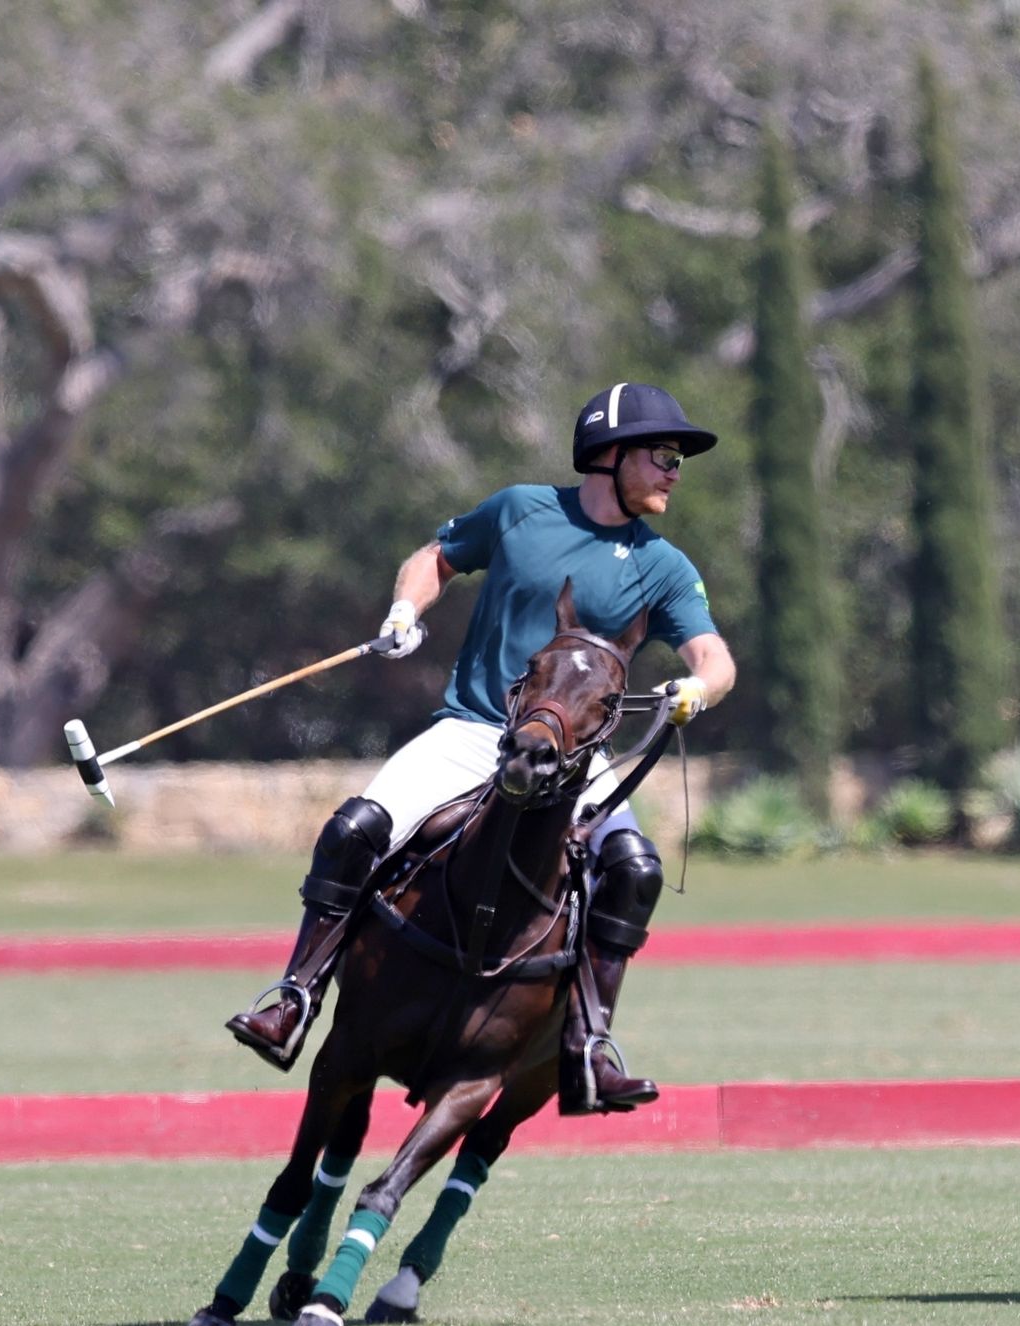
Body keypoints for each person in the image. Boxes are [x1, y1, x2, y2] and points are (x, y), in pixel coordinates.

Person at [227, 381, 737, 1113]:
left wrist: (697, 690)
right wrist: (406, 609)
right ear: (609, 454)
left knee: (632, 867)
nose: (673, 471)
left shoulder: (661, 565)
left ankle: (590, 1045)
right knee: (354, 830)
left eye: (676, 459)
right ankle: (295, 996)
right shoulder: (520, 509)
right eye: (661, 454)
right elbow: (433, 558)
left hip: (569, 759)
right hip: (471, 733)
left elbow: (713, 657)